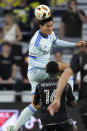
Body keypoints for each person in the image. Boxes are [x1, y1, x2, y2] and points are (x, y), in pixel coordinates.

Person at [7, 4, 85, 131]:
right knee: (68, 68)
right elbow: (30, 61)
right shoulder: (35, 41)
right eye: (48, 26)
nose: (50, 28)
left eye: (52, 25)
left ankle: (14, 128)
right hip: (36, 70)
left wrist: (74, 45)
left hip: (37, 73)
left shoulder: (50, 34)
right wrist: (45, 66)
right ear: (40, 26)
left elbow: (57, 41)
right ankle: (68, 95)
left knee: (35, 105)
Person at [48, 45, 87, 130]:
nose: (58, 57)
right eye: (57, 56)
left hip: (64, 94)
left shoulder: (67, 68)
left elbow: (70, 80)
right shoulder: (52, 68)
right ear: (55, 57)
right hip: (56, 95)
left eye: (59, 56)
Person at [33, 61, 77, 131]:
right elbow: (73, 104)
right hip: (62, 119)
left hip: (46, 121)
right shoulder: (65, 84)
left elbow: (35, 103)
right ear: (58, 71)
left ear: (47, 72)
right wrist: (65, 102)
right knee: (74, 128)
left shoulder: (39, 85)